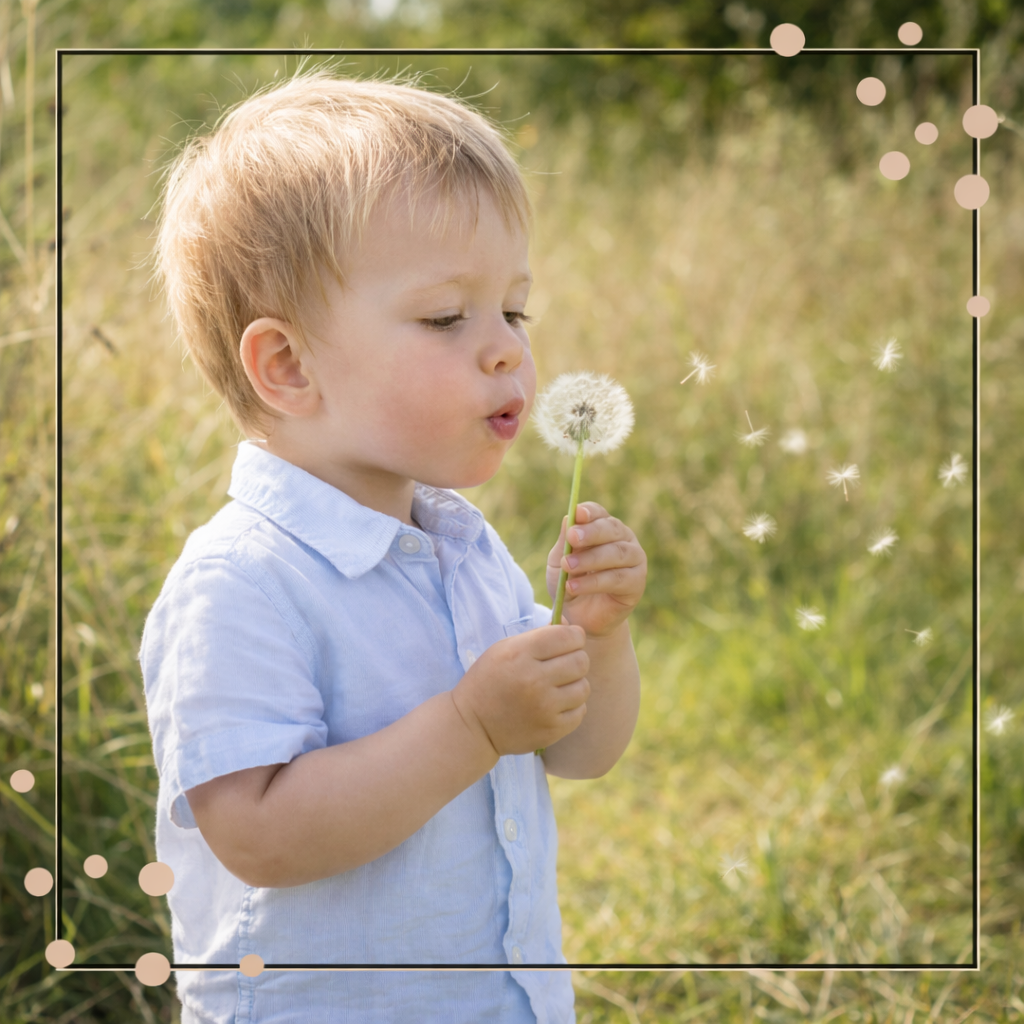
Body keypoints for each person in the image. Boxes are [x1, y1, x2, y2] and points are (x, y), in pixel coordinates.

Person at [142, 68, 646, 1024]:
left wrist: (598, 638)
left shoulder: (464, 547)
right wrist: (471, 726)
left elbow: (579, 752)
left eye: (514, 311)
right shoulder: (239, 583)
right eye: (448, 317)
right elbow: (258, 836)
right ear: (288, 366)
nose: (505, 349)